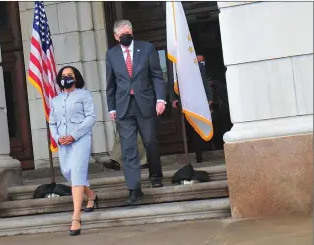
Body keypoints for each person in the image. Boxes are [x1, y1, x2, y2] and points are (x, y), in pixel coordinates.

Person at [106, 19, 166, 206]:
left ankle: (156, 175)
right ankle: (134, 188)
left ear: (132, 32)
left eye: (128, 32)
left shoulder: (146, 48)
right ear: (116, 37)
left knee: (150, 142)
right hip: (124, 106)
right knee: (128, 148)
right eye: (122, 33)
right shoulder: (112, 54)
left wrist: (161, 99)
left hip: (145, 103)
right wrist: (112, 107)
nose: (126, 35)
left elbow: (157, 75)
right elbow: (111, 83)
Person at [49, 66, 98, 236]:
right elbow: (52, 123)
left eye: (70, 75)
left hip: (80, 139)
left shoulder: (84, 95)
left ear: (75, 78)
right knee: (67, 171)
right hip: (63, 142)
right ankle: (91, 195)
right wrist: (57, 138)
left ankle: (76, 218)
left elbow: (91, 117)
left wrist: (74, 135)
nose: (67, 78)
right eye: (64, 75)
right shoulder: (55, 100)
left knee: (77, 171)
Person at [170, 55, 213, 162]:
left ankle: (200, 153)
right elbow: (173, 83)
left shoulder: (198, 68)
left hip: (199, 102)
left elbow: (204, 82)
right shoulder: (180, 68)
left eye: (202, 61)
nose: (201, 63)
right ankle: (196, 153)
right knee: (191, 129)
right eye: (200, 61)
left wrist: (209, 98)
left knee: (199, 128)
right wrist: (174, 98)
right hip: (186, 103)